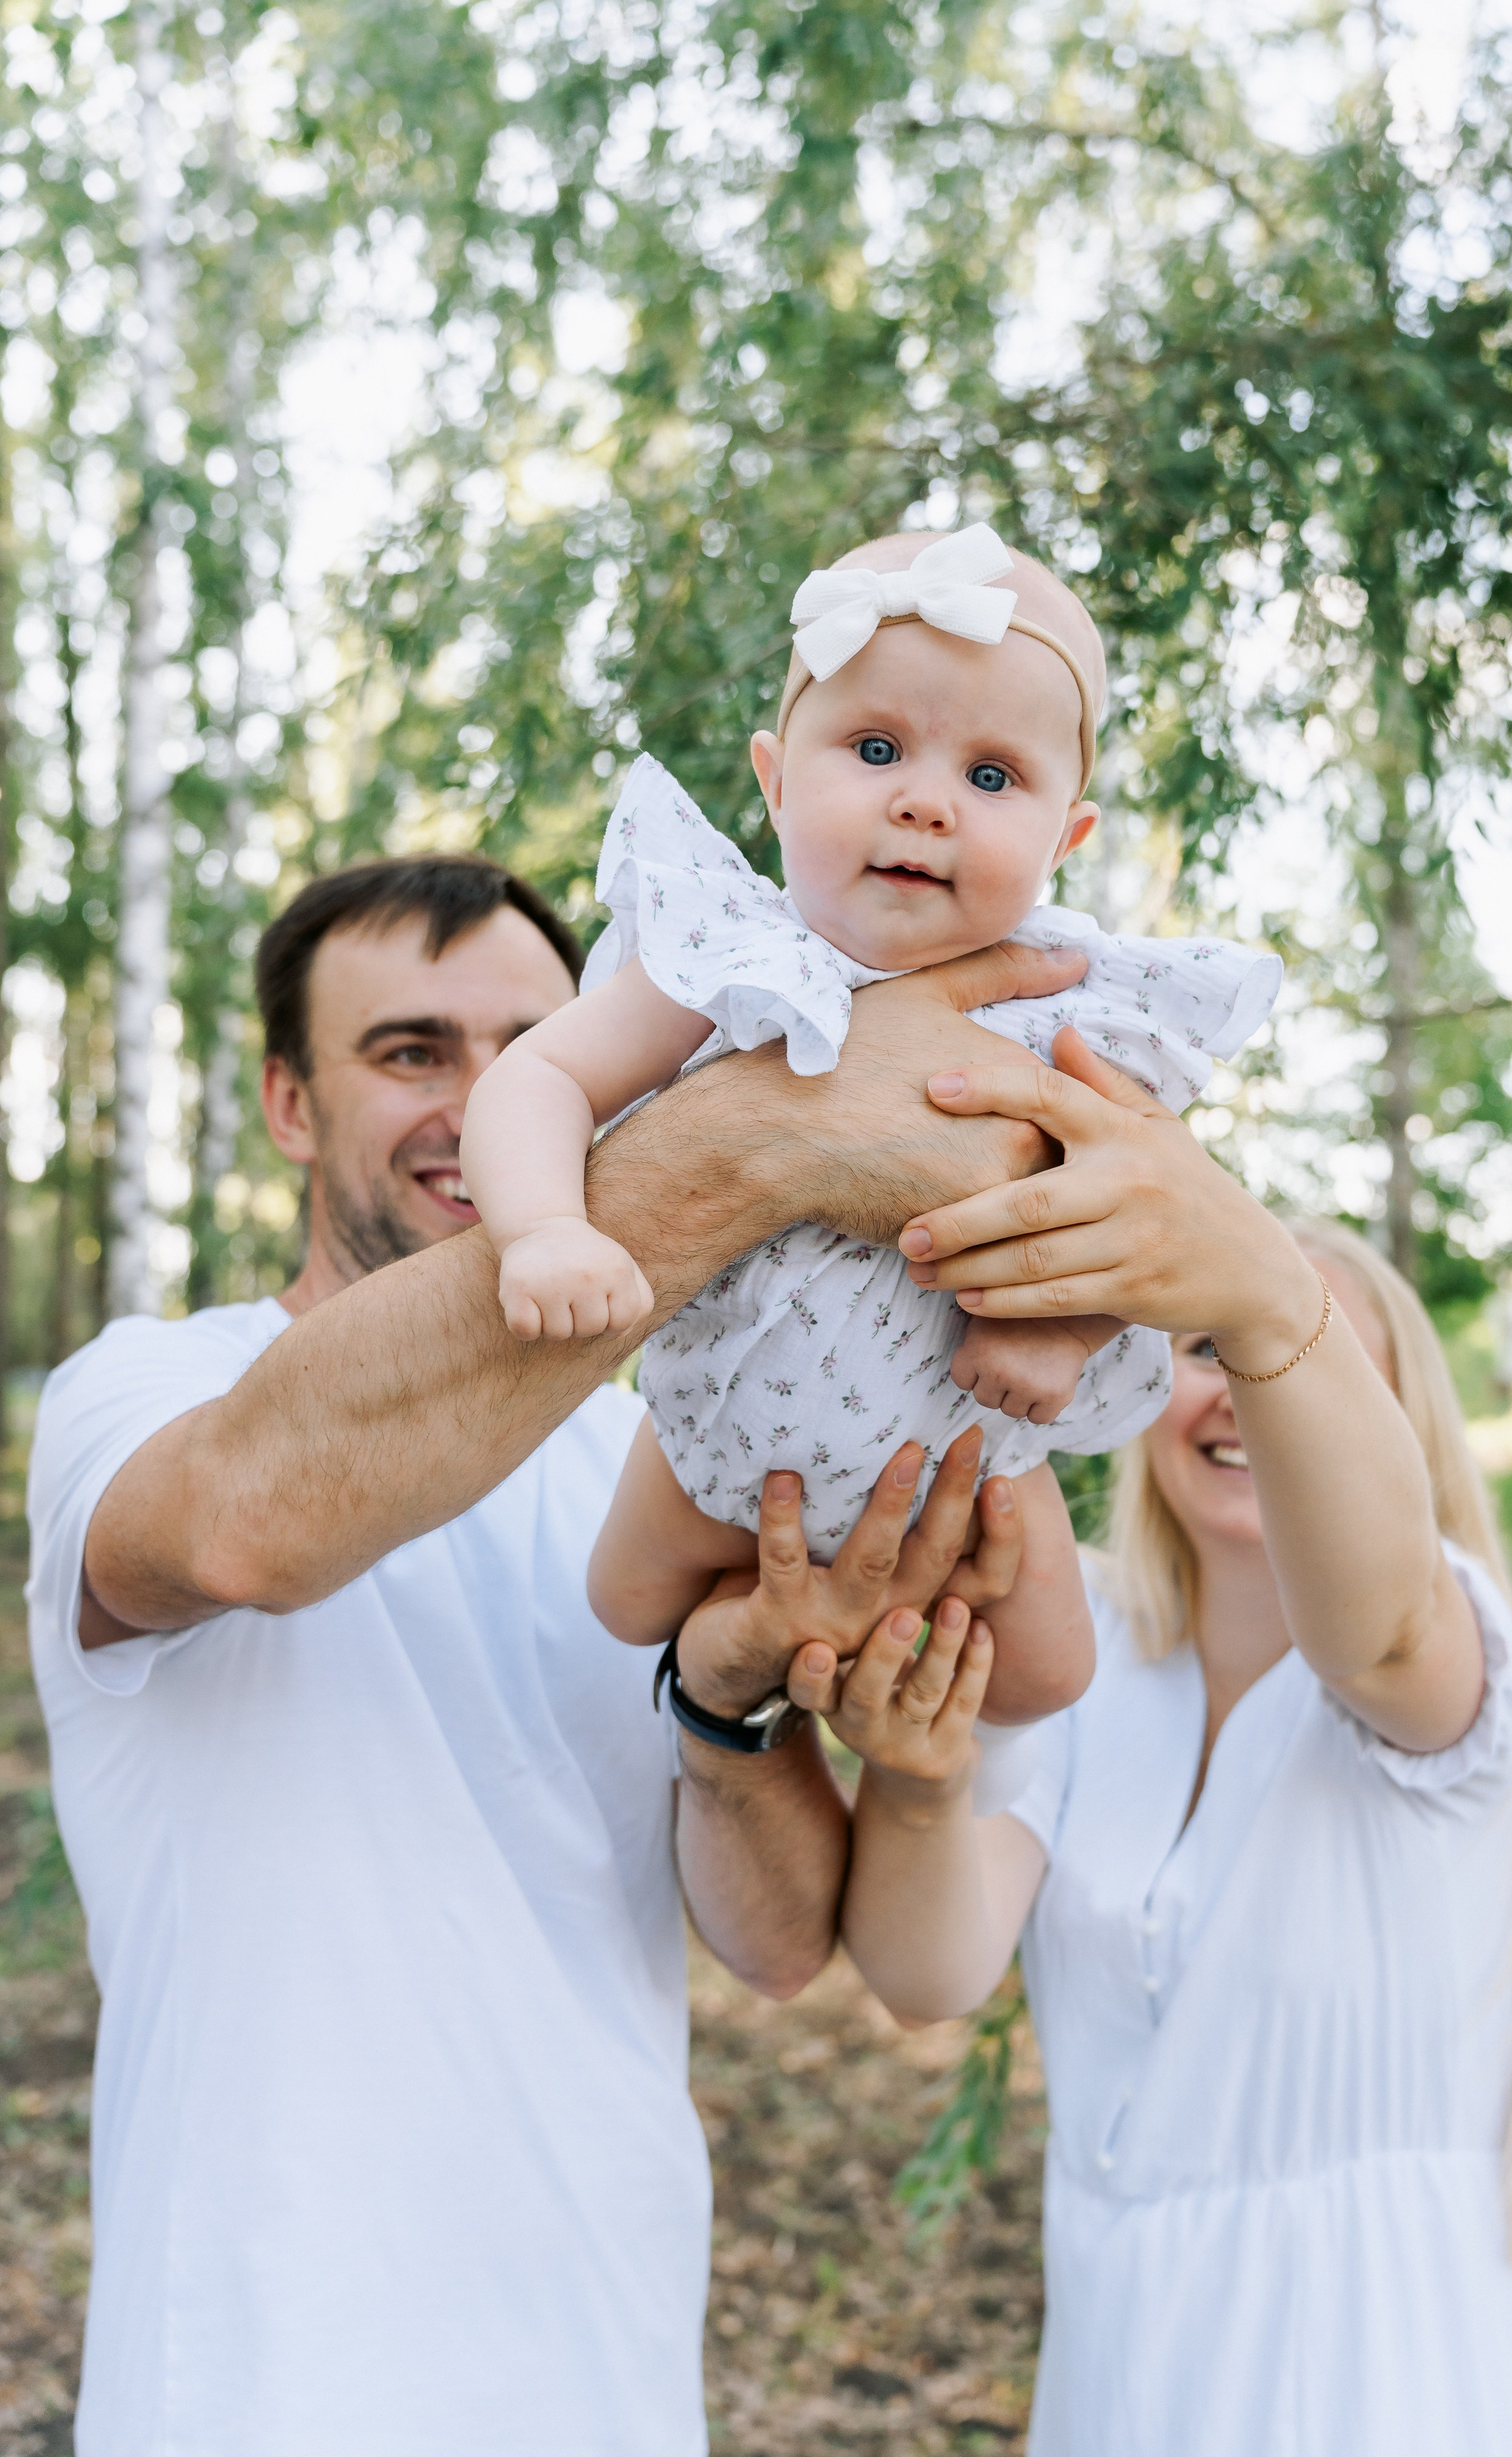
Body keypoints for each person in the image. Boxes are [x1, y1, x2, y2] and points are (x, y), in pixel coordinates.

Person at [26, 849, 1073, 2457]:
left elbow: (782, 1948)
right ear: (290, 1104)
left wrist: (730, 1705)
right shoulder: (146, 1389)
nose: (479, 1099)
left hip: (599, 2377)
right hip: (257, 2388)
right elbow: (244, 1526)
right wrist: (761, 1143)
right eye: (409, 1051)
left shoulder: (654, 1473)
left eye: (530, 1045)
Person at [823, 1041, 1512, 2456]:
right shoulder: (1080, 1654)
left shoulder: (1449, 1655)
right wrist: (916, 1788)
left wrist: (1248, 1284)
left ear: (1391, 1421)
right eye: (1192, 1353)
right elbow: (928, 1974)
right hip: (1122, 2366)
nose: (1231, 1389)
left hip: (1383, 2380)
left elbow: (1370, 1628)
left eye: (1297, 1357)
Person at [460, 522, 1278, 1726]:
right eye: (878, 747)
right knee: (624, 1600)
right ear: (777, 777)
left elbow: (1168, 1225)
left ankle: (848, 1685)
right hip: (727, 1423)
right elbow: (538, 1081)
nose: (926, 804)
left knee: (1050, 1678)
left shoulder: (1077, 1009)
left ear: (1068, 837)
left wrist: (1067, 1336)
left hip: (970, 1437)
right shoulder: (727, 962)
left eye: (991, 778)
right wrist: (539, 1230)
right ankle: (769, 1636)